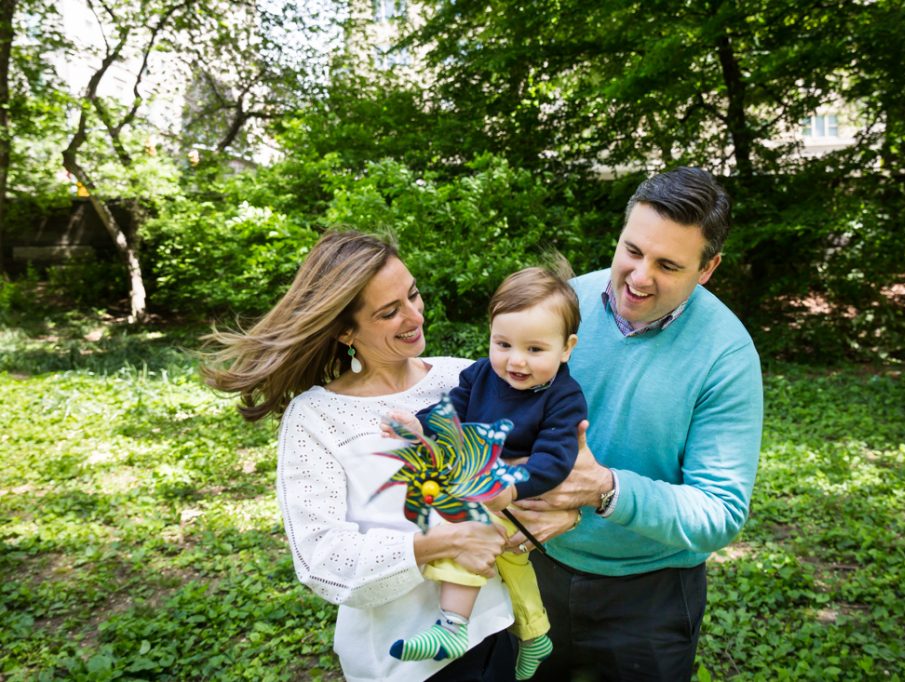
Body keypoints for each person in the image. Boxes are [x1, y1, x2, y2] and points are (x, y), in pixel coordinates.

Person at [202, 230, 517, 682]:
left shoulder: (462, 378)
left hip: (494, 629)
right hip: (402, 665)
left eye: (413, 295)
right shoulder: (317, 417)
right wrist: (445, 543)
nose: (414, 317)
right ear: (345, 330)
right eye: (389, 312)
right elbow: (322, 559)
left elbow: (507, 473)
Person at [507, 167, 764, 681]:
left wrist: (605, 490)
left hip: (650, 597)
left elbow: (720, 512)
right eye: (632, 251)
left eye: (668, 265)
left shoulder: (727, 354)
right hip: (536, 570)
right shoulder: (564, 305)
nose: (640, 276)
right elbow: (510, 416)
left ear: (708, 268)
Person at [384, 266, 587, 680]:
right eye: (503, 343)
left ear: (566, 348)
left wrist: (511, 488)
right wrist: (421, 426)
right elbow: (451, 413)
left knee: (467, 530)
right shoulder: (478, 375)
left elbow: (554, 459)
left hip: (525, 492)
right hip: (488, 485)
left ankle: (451, 627)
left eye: (535, 349)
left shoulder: (564, 398)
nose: (515, 360)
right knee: (512, 566)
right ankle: (535, 635)